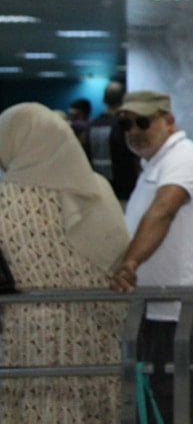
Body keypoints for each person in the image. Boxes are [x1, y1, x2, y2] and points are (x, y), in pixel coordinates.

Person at [0, 102, 129, 423]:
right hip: (96, 322)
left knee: (40, 406)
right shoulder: (96, 188)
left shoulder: (4, 199)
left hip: (29, 328)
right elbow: (118, 253)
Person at [109, 90, 193, 424]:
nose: (134, 131)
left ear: (168, 121)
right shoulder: (156, 162)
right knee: (157, 395)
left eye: (143, 122)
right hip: (155, 307)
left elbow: (162, 211)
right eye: (127, 124)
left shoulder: (183, 158)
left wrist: (129, 263)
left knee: (174, 400)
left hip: (175, 310)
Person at [86, 80, 140, 203]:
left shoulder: (91, 126)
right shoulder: (125, 126)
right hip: (125, 193)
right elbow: (135, 160)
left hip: (98, 193)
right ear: (125, 100)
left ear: (104, 100)